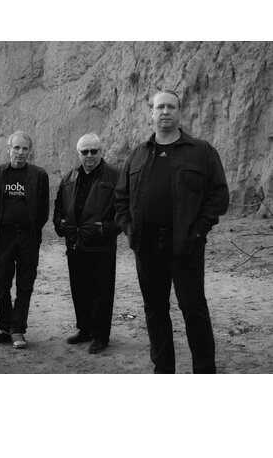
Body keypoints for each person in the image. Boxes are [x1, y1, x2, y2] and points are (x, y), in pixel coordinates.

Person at [115, 90, 229, 374]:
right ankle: (163, 371)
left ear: (180, 112)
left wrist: (199, 231)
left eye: (171, 106)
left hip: (186, 246)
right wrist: (130, 229)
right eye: (160, 107)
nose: (165, 111)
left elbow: (218, 196)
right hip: (146, 247)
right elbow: (120, 199)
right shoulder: (138, 154)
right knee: (155, 310)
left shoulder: (201, 151)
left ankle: (204, 371)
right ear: (151, 113)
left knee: (194, 309)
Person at [53, 133, 121, 354]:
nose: (89, 155)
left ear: (101, 151)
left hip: (101, 246)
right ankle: (85, 329)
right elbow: (58, 207)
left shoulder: (115, 176)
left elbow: (125, 210)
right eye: (85, 152)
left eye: (94, 151)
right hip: (76, 244)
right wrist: (61, 226)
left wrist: (106, 229)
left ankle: (100, 336)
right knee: (79, 290)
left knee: (102, 293)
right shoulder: (69, 177)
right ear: (78, 153)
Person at [0, 131, 49, 349]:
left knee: (25, 285)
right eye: (16, 148)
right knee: (1, 285)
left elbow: (43, 209)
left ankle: (18, 329)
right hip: (4, 238)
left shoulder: (39, 175)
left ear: (30, 151)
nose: (20, 152)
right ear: (8, 149)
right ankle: (4, 327)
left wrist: (32, 230)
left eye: (25, 148)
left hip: (28, 238)